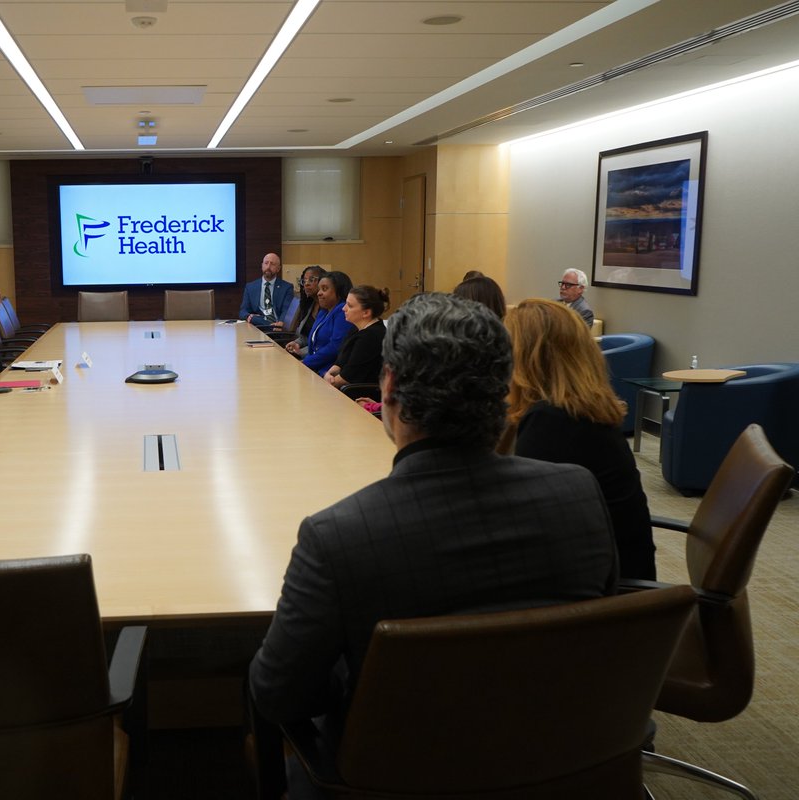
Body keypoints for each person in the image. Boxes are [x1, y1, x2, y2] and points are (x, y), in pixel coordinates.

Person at [249, 293, 617, 796]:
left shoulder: (338, 536)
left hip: (392, 774)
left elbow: (277, 695)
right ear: (503, 390)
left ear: (391, 386)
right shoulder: (578, 494)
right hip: (556, 762)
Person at [506, 298, 656, 580]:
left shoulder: (552, 422)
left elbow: (524, 522)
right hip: (613, 570)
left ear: (526, 358)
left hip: (604, 596)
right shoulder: (579, 410)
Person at [286, 271, 353, 376]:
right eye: (319, 289)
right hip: (314, 368)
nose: (319, 293)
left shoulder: (342, 311)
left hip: (329, 373)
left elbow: (335, 347)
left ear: (339, 291)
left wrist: (305, 363)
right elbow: (314, 341)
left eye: (324, 289)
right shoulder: (324, 311)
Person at [324, 285, 389, 389]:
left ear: (366, 312)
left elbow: (348, 376)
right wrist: (328, 374)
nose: (343, 308)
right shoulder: (356, 328)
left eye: (349, 306)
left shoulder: (371, 337)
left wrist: (328, 382)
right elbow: (341, 361)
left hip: (362, 393)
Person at [239, 252, 294, 328]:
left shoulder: (286, 287)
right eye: (266, 263)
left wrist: (281, 322)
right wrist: (249, 316)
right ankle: (267, 324)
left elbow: (286, 310)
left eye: (272, 264)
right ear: (262, 266)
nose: (268, 266)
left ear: (278, 269)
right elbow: (243, 311)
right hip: (258, 327)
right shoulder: (250, 287)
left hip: (277, 327)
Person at [281, 266, 326, 350]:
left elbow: (321, 343)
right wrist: (297, 343)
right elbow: (307, 336)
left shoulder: (328, 308)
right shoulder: (309, 304)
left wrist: (301, 352)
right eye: (304, 281)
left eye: (311, 279)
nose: (306, 284)